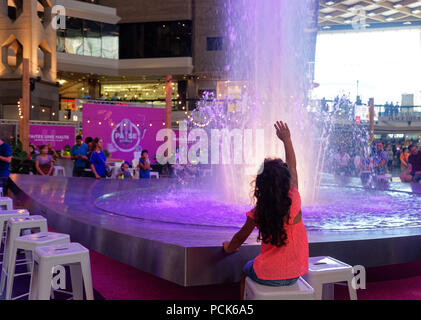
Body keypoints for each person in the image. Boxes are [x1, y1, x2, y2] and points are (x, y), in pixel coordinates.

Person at [223, 121, 308, 299]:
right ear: (285, 181)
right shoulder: (294, 199)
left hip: (267, 273)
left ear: (261, 184)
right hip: (296, 272)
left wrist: (229, 248)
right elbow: (293, 166)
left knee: (246, 273)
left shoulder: (259, 211)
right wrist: (287, 140)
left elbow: (240, 237)